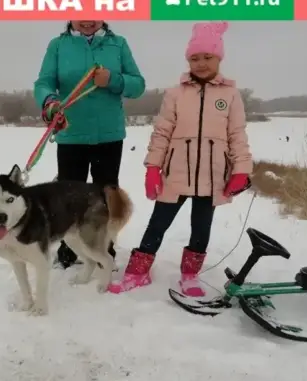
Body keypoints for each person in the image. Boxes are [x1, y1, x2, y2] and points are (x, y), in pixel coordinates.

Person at [108, 21, 253, 297]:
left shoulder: (230, 95)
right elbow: (161, 132)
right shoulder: (175, 94)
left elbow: (237, 134)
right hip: (176, 174)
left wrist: (241, 170)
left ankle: (190, 275)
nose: (200, 63)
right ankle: (137, 273)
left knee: (201, 227)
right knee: (157, 224)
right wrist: (153, 168)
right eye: (194, 58)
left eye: (207, 57)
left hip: (212, 177)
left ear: (219, 58)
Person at [34, 21, 145, 269]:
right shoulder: (59, 45)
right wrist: (50, 102)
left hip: (109, 135)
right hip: (71, 135)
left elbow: (138, 85)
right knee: (67, 197)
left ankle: (104, 246)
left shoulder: (118, 44)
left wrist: (113, 79)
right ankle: (69, 249)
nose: (86, 20)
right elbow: (43, 83)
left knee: (106, 195)